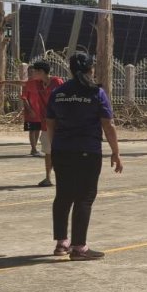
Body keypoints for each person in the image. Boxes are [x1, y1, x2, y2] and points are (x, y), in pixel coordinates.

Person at [44, 52, 122, 261]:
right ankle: (79, 247)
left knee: (63, 195)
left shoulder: (58, 92)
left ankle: (62, 243)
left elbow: (50, 123)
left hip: (62, 150)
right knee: (84, 197)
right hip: (87, 151)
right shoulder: (96, 92)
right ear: (91, 69)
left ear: (70, 70)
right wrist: (116, 152)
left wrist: (55, 147)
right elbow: (108, 124)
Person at [19, 61, 62, 187]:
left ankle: (63, 177)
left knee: (60, 151)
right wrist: (5, 82)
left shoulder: (57, 82)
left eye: (34, 71)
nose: (32, 74)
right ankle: (48, 178)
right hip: (46, 123)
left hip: (59, 123)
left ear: (41, 72)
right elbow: (22, 83)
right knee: (48, 152)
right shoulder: (36, 83)